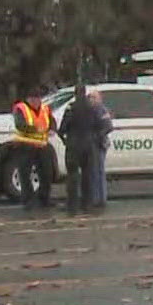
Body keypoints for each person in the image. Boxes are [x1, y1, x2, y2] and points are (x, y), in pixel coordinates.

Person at [57, 83, 101, 214]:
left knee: (72, 176)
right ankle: (87, 204)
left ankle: (72, 206)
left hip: (73, 145)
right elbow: (99, 126)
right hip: (88, 145)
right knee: (87, 175)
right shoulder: (92, 108)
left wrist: (65, 140)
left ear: (75, 94)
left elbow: (62, 129)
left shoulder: (71, 108)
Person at [10, 89, 56, 209]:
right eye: (33, 99)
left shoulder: (45, 108)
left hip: (42, 145)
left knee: (46, 173)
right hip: (25, 145)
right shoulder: (21, 108)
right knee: (25, 174)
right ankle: (28, 200)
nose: (36, 102)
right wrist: (36, 129)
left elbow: (52, 121)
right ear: (28, 99)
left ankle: (44, 199)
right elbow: (20, 125)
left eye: (38, 99)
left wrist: (52, 129)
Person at [86, 89, 113, 211]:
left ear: (99, 98)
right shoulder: (93, 110)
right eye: (90, 97)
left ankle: (99, 199)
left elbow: (108, 126)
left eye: (93, 97)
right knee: (96, 171)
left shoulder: (100, 109)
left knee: (98, 171)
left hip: (98, 144)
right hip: (96, 143)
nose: (91, 100)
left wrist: (97, 136)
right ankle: (98, 198)